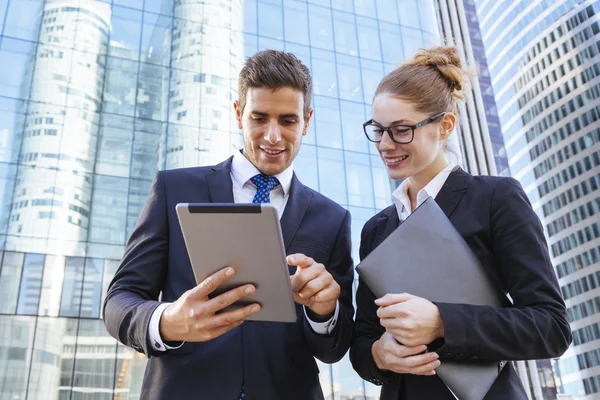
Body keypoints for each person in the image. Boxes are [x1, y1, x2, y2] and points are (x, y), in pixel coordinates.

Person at [103, 50, 354, 400]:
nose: (272, 136)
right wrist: (167, 320)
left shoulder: (332, 219)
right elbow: (118, 300)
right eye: (259, 117)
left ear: (307, 120)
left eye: (288, 121)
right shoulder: (174, 189)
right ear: (238, 114)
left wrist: (324, 311)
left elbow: (334, 348)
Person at [349, 46, 572, 399]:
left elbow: (550, 327)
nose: (385, 144)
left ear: (445, 126)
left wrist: (440, 321)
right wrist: (378, 354)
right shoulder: (376, 228)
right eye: (378, 130)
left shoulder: (495, 200)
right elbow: (363, 341)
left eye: (401, 130)